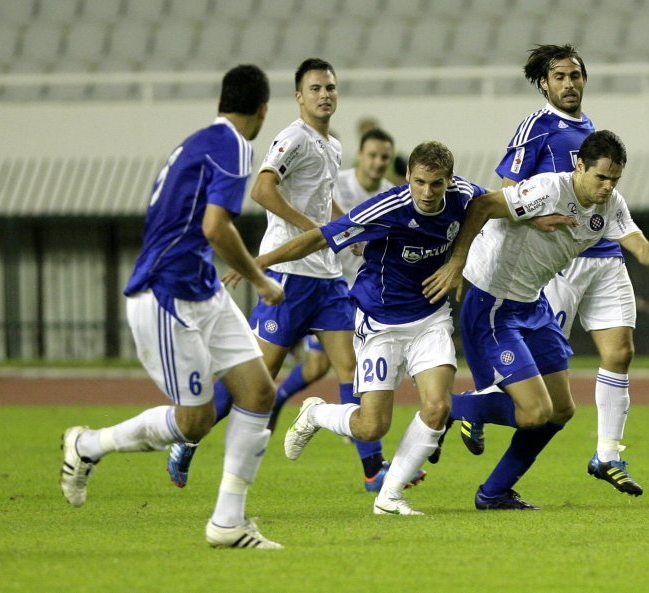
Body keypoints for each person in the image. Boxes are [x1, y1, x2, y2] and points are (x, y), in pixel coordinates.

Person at [59, 65, 285, 549]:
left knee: (260, 394)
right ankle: (87, 445)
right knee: (194, 422)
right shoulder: (235, 148)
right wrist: (260, 280)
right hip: (165, 296)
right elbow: (214, 227)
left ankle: (228, 522)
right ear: (263, 110)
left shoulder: (200, 141)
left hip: (200, 287)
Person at [165, 58, 402, 494]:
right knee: (256, 381)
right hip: (290, 276)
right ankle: (188, 437)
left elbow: (322, 202)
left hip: (329, 277)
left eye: (330, 87)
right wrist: (311, 228)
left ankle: (373, 470)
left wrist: (345, 231)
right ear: (299, 97)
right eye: (315, 88)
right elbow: (262, 188)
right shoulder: (293, 138)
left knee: (349, 366)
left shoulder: (330, 145)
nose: (325, 94)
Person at [422, 130, 649, 510]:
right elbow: (481, 206)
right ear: (579, 166)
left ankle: (494, 492)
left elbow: (643, 252)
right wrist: (457, 263)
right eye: (600, 177)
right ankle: (450, 408)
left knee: (561, 410)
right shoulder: (548, 188)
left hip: (533, 306)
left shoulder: (611, 205)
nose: (607, 187)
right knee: (534, 412)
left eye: (614, 179)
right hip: (494, 304)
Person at [237, 141, 487, 515]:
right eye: (419, 182)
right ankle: (317, 414)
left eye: (437, 184)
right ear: (407, 177)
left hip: (431, 319)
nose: (427, 192)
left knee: (437, 407)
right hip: (380, 323)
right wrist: (260, 262)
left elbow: (489, 206)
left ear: (450, 181)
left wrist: (459, 260)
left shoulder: (465, 194)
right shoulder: (387, 207)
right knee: (372, 427)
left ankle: (389, 496)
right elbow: (320, 237)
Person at [458, 44, 649, 496]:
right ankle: (468, 406)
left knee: (584, 381)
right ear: (544, 83)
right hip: (546, 265)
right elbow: (505, 193)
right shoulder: (536, 126)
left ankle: (605, 453)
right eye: (560, 76)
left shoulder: (591, 133)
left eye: (576, 75)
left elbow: (608, 204)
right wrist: (534, 214)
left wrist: (647, 248)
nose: (569, 83)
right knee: (532, 391)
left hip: (594, 250)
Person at [272, 127, 397, 416]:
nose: (378, 162)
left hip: (365, 292)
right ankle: (278, 400)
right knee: (317, 367)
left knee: (350, 364)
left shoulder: (388, 196)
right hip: (329, 285)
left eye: (384, 157)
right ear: (360, 156)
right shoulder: (336, 184)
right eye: (373, 155)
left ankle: (355, 426)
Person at [357, 116, 407, 186]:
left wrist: (385, 176)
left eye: (385, 157)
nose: (379, 163)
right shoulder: (355, 161)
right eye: (372, 155)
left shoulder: (397, 158)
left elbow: (409, 183)